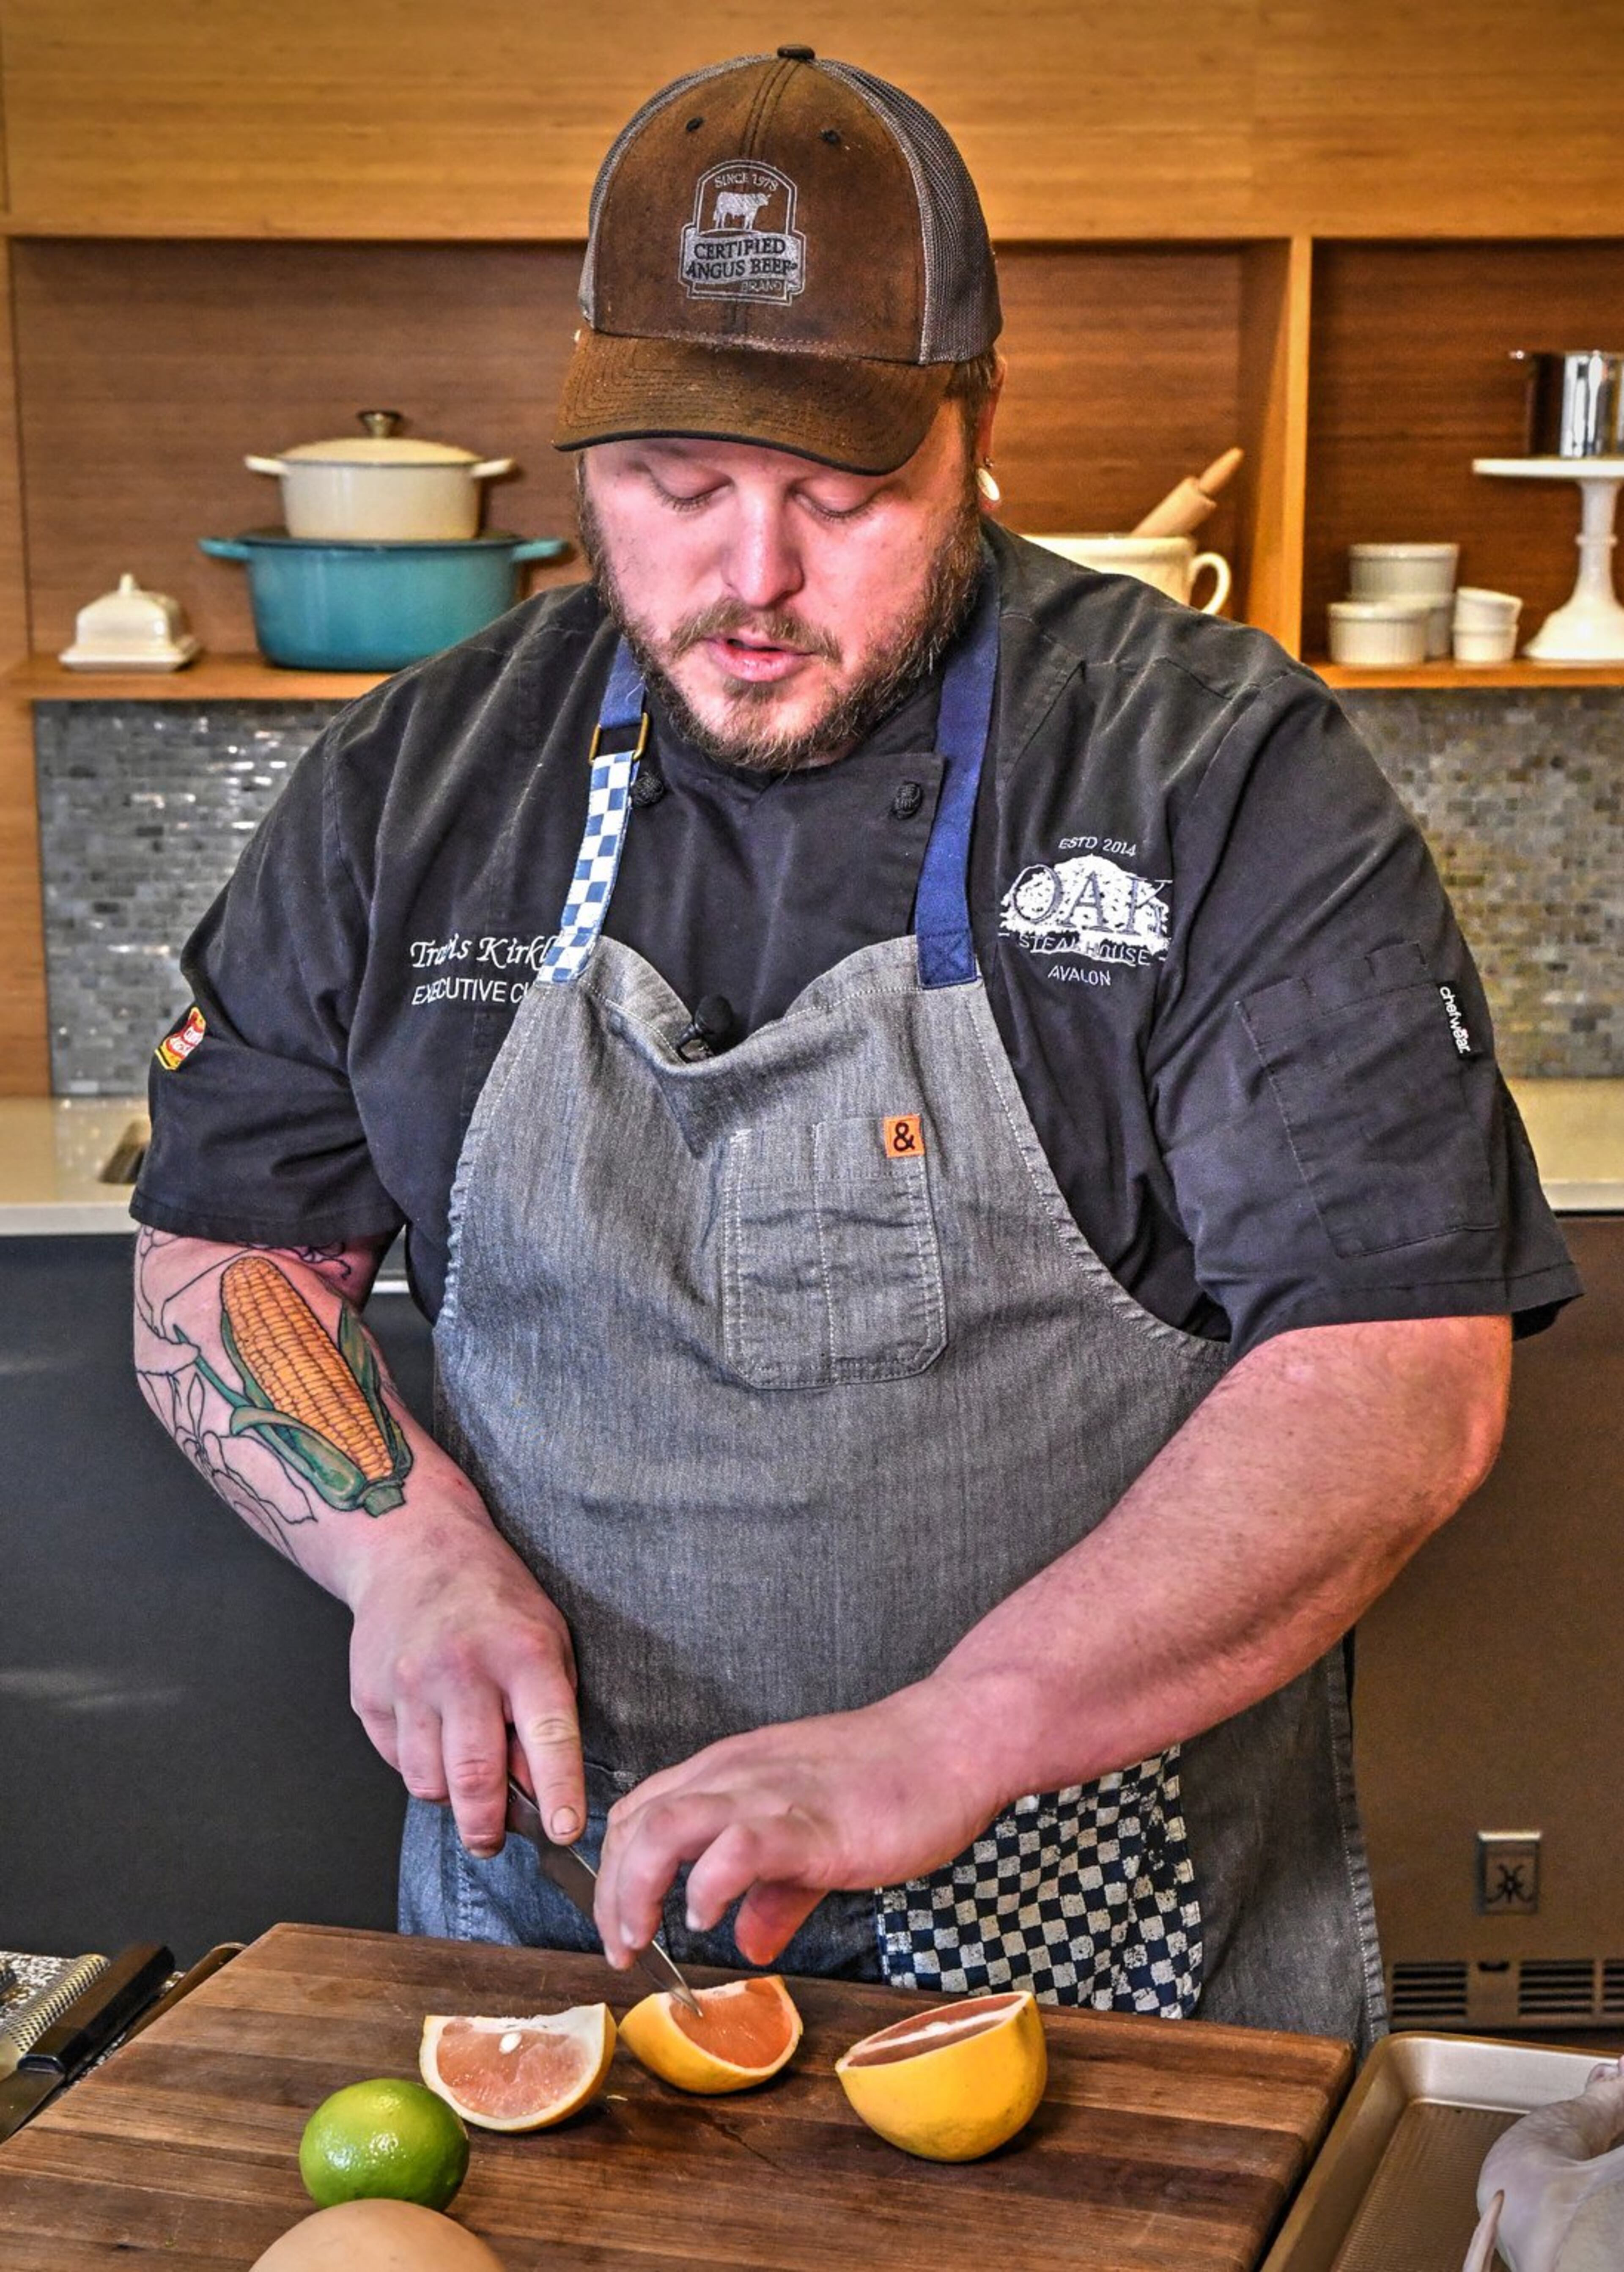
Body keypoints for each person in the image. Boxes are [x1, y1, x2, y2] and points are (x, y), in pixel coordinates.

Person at [132, 48, 1577, 2051]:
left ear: (977, 430)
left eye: (837, 494)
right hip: (562, 1914)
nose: (748, 579)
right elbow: (226, 1254)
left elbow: (1396, 1378)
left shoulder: (1212, 769)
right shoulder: (417, 781)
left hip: (1095, 1935)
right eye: (675, 486)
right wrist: (402, 1554)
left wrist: (950, 1733)